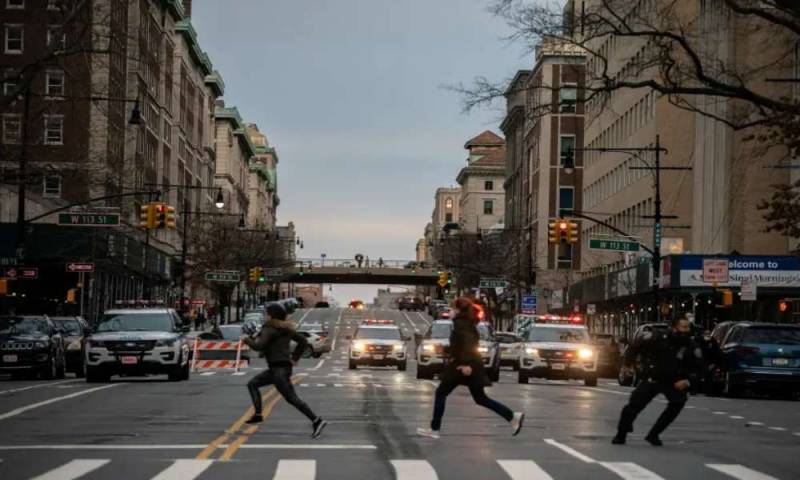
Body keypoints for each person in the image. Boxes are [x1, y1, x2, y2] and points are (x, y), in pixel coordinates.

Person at [417, 297, 524, 439]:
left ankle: (434, 429)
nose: (450, 311)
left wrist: (466, 363)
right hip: (469, 365)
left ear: (459, 310)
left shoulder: (462, 324)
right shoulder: (464, 323)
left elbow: (469, 344)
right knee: (480, 398)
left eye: (452, 308)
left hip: (463, 366)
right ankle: (512, 416)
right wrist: (447, 350)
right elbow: (462, 344)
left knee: (441, 393)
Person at [612, 315, 703, 446]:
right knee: (634, 405)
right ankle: (621, 434)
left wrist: (688, 381)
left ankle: (654, 434)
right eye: (683, 327)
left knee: (678, 403)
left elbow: (700, 368)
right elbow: (634, 346)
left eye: (687, 327)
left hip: (674, 381)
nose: (686, 330)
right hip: (654, 377)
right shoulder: (657, 337)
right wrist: (627, 365)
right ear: (673, 327)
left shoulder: (691, 345)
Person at [241, 303, 328, 438]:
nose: (265, 315)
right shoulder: (285, 329)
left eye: (267, 313)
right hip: (281, 368)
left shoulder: (269, 328)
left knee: (292, 399)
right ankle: (258, 415)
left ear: (271, 315)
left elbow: (259, 346)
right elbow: (303, 341)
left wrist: (246, 340)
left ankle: (317, 421)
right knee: (253, 384)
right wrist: (295, 357)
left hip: (277, 370)